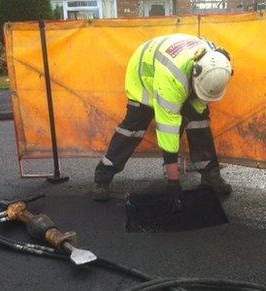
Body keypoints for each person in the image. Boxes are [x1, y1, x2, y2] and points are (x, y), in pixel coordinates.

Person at [90, 33, 233, 202]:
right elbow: (168, 128)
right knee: (133, 128)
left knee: (199, 122)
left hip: (176, 70)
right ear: (195, 74)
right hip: (144, 75)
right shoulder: (173, 77)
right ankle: (102, 177)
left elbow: (200, 103)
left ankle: (210, 173)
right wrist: (173, 182)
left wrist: (193, 109)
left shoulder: (220, 63)